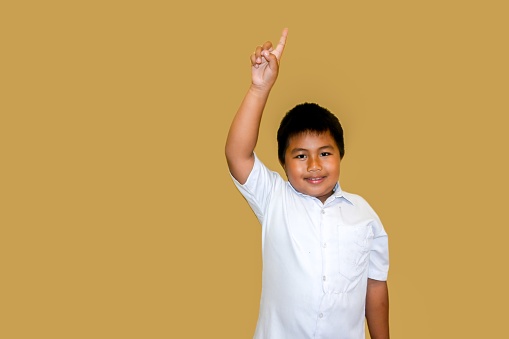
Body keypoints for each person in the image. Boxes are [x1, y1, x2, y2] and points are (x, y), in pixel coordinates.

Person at [225, 28, 390, 339]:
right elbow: (237, 154)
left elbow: (376, 287)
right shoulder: (275, 198)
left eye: (325, 153)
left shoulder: (365, 216)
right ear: (284, 164)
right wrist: (259, 89)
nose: (314, 165)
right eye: (300, 156)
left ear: (340, 154)